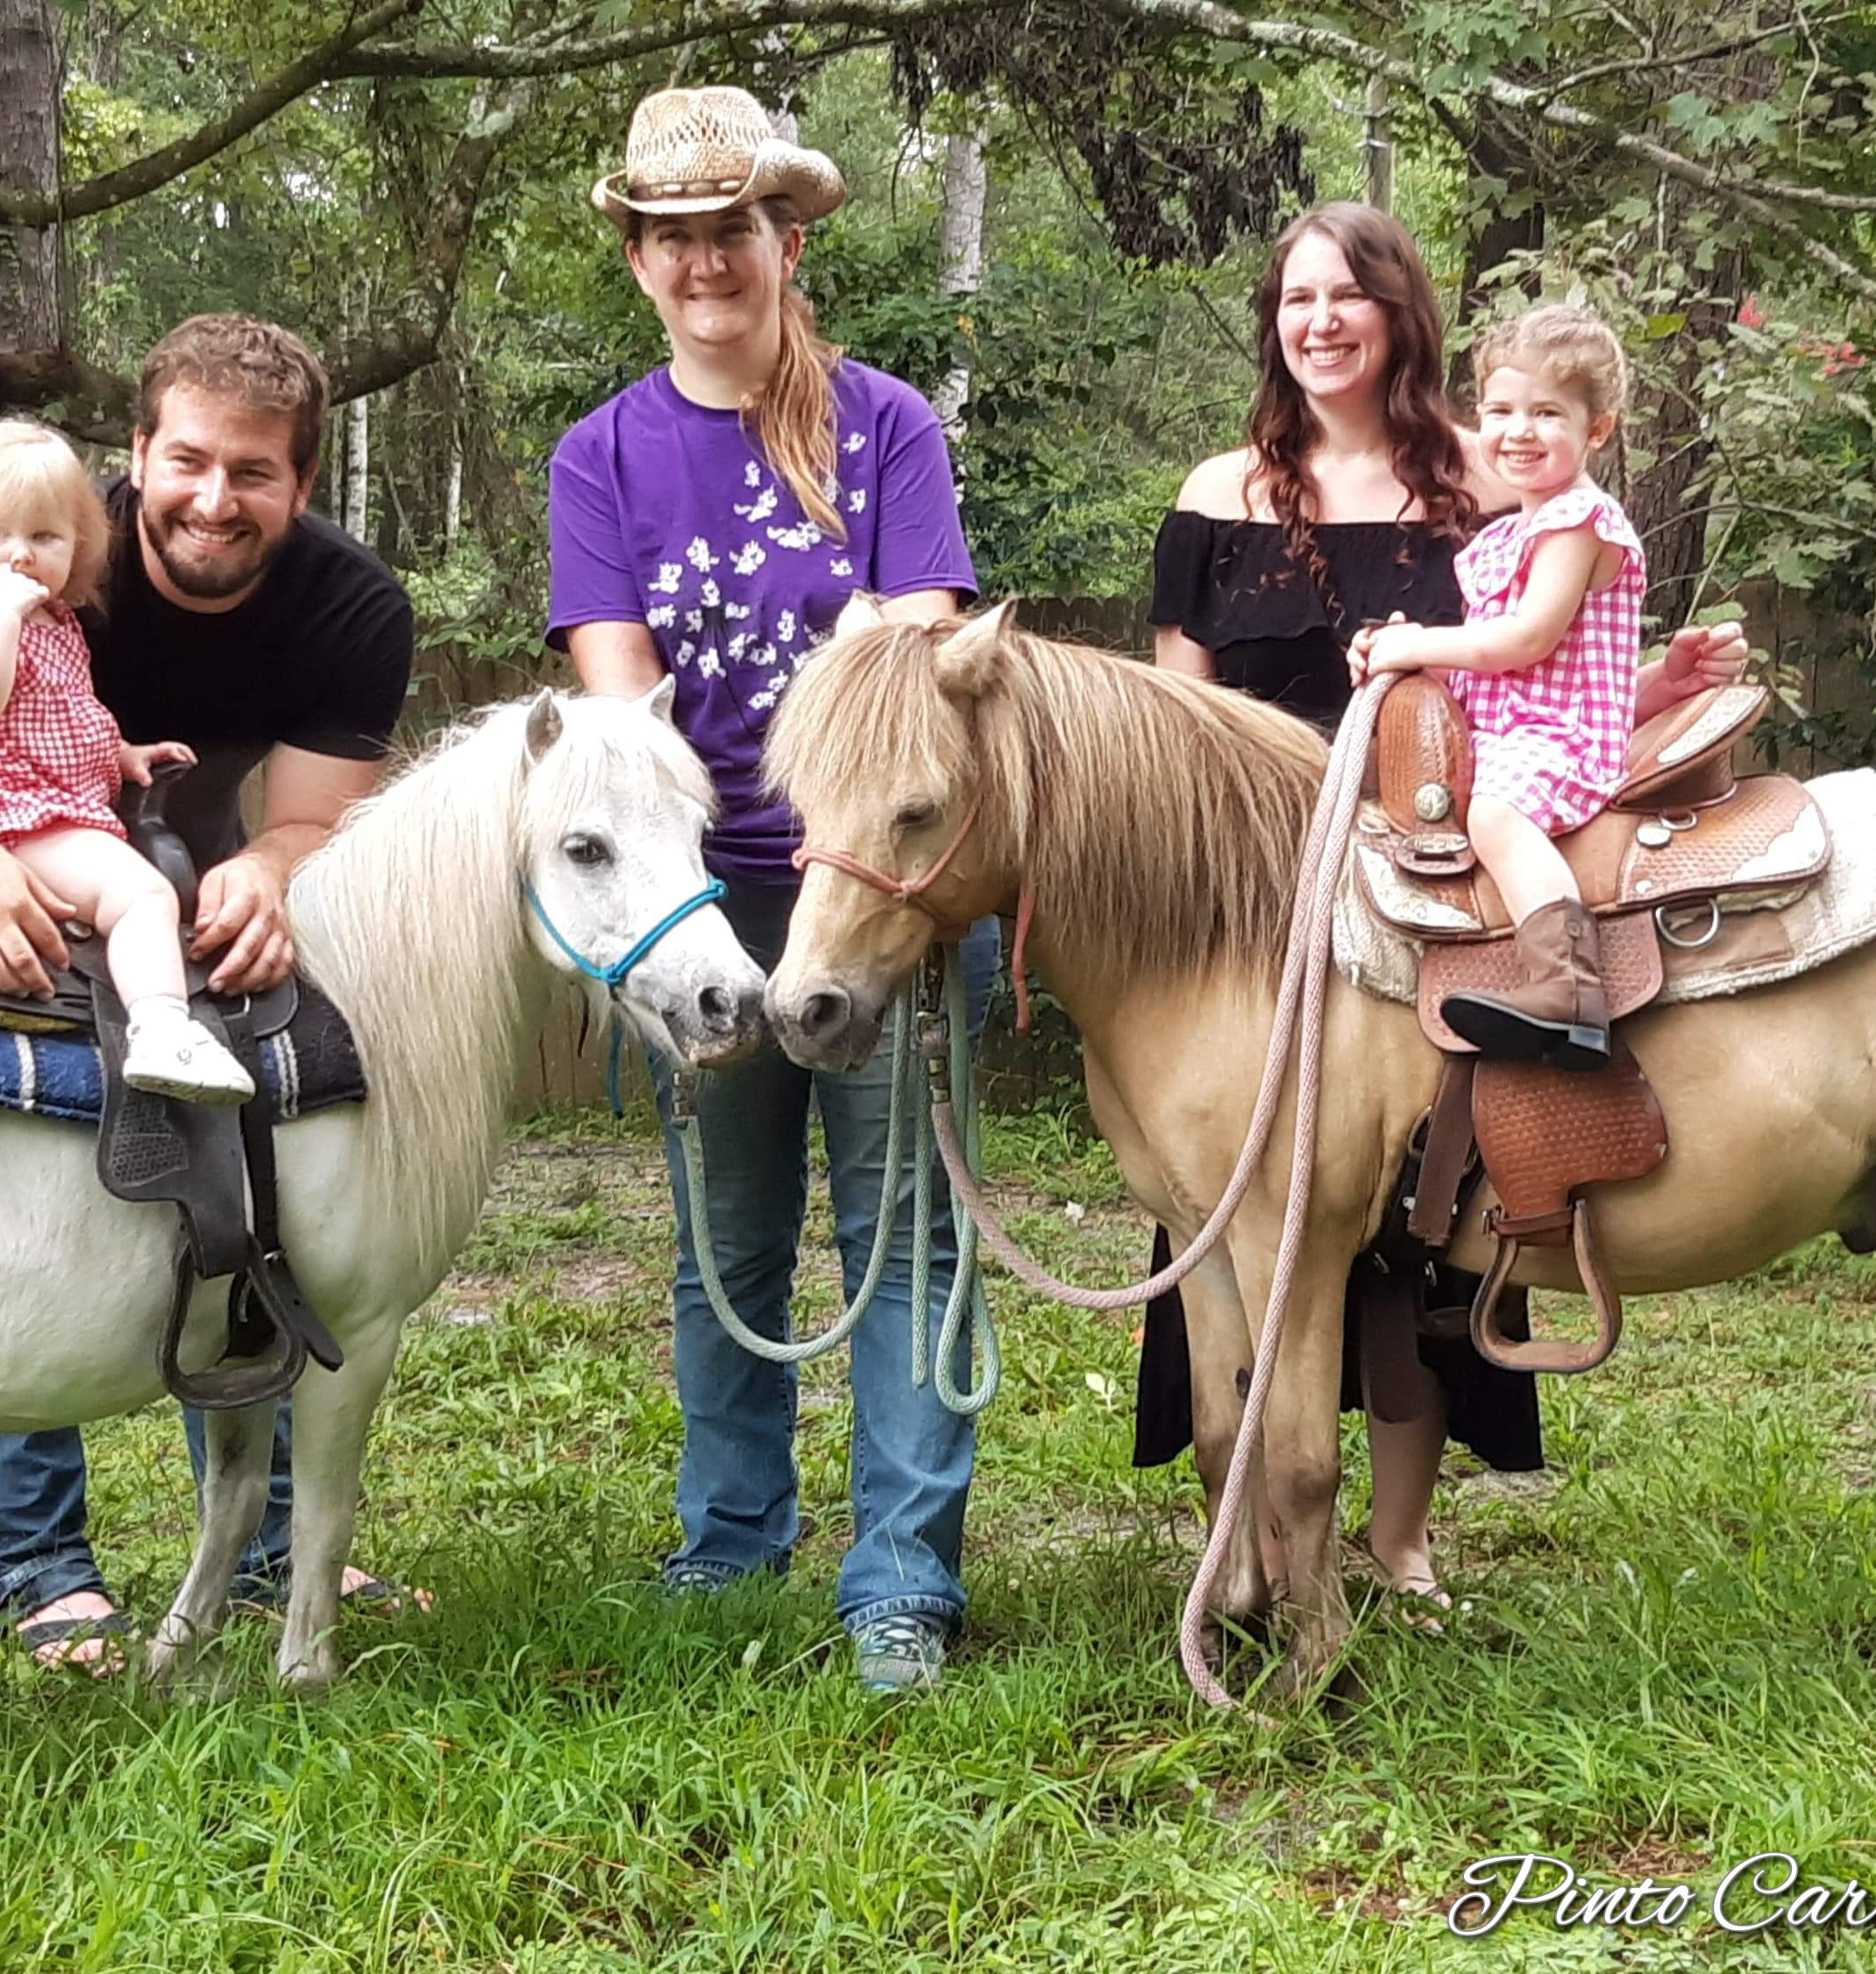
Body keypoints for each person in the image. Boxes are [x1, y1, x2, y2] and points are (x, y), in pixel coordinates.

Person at [1143, 205, 1747, 1612]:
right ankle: (1241, 1526)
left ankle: (1399, 1536)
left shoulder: (1490, 470)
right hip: (1248, 889)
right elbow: (1169, 707)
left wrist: (1648, 694)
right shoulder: (1218, 488)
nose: (1321, 321)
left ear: (1398, 312)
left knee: (1429, 1189)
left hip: (1434, 862)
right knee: (1232, 1208)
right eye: (1296, 297)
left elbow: (1545, 653)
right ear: (1273, 320)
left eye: (1349, 294)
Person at [0, 314, 422, 1672]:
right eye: (190, 461)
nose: (216, 499)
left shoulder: (351, 606)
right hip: (7, 893)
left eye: (256, 472)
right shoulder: (32, 538)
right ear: (138, 454)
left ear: (302, 482)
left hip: (202, 912)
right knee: (3, 1203)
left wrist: (272, 872)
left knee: (263, 1163)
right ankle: (44, 1566)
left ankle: (273, 1540)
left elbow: (315, 820)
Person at [547, 86, 998, 1692]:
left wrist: (842, 834)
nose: (703, 261)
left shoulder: (885, 426)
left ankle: (900, 1581)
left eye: (731, 228)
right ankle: (732, 1541)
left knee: (903, 1240)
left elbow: (915, 651)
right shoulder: (598, 456)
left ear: (785, 240)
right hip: (705, 908)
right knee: (724, 1243)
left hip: (871, 888)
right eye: (671, 235)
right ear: (639, 261)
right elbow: (620, 702)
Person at [0, 418, 254, 1104]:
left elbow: (61, 717)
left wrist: (123, 753)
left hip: (63, 809)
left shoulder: (59, 625)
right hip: (17, 818)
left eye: (44, 537)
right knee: (144, 894)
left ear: (76, 548)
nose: (19, 556)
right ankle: (162, 1026)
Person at [1352, 303, 1645, 1070]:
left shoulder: (1580, 522)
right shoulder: (1509, 534)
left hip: (1561, 740)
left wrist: (1421, 640)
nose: (1519, 431)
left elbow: (1528, 640)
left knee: (1495, 814)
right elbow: (1486, 659)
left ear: (1598, 431)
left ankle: (1569, 986)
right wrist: (1401, 656)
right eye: (1501, 410)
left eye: (1548, 413)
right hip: (1506, 734)